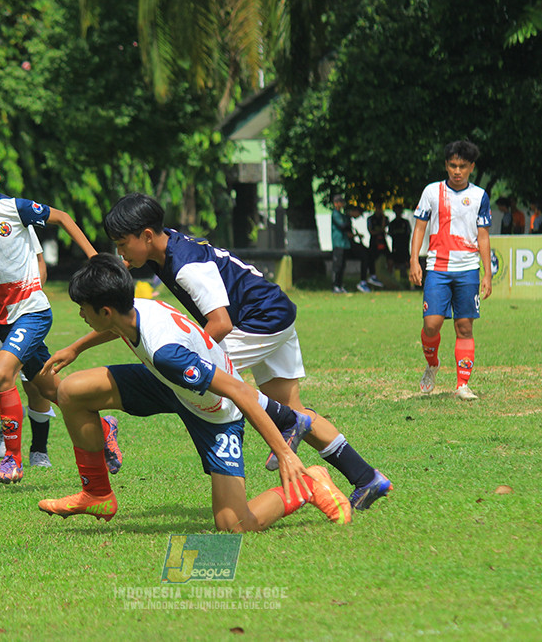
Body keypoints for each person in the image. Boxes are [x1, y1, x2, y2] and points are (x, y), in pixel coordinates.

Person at [102, 193, 391, 511]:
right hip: (274, 311)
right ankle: (366, 477)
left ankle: (109, 426)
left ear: (146, 235)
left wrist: (190, 356)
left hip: (257, 322)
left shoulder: (185, 265)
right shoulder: (166, 243)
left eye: (122, 244)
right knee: (291, 412)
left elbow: (221, 323)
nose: (120, 252)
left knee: (182, 377)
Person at [37, 253, 353, 531]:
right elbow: (116, 327)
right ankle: (97, 493)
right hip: (168, 384)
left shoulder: (167, 354)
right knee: (72, 391)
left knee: (234, 524)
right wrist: (76, 348)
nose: (81, 315)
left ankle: (308, 485)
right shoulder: (135, 307)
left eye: (83, 309)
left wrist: (285, 454)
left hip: (215, 412)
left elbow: (240, 392)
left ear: (106, 311)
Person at [0, 134, 98, 483]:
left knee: (1, 372)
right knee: (52, 390)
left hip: (33, 311)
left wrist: (95, 259)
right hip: (0, 316)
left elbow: (63, 218)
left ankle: (13, 460)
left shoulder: (16, 209)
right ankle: (105, 426)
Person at [408, 140, 492, 401]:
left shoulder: (479, 196)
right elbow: (419, 228)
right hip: (437, 268)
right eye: (453, 165)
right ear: (446, 165)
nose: (457, 171)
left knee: (464, 327)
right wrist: (414, 260)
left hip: (468, 269)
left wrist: (487, 273)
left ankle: (462, 384)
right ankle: (432, 365)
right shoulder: (432, 192)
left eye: (463, 166)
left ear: (471, 168)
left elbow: (483, 235)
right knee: (431, 325)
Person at [329, 195, 356, 293]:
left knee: (342, 265)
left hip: (344, 243)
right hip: (338, 243)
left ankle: (340, 285)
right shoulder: (335, 214)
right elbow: (342, 226)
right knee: (337, 265)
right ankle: (335, 285)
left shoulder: (342, 215)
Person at [387, 203, 412, 285]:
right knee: (396, 264)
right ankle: (398, 283)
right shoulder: (392, 223)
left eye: (399, 210)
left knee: (407, 264)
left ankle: (411, 284)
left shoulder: (405, 222)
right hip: (396, 247)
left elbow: (409, 233)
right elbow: (390, 234)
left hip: (405, 246)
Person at [365, 203, 389, 288]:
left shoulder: (385, 218)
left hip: (382, 241)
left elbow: (384, 229)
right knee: (372, 258)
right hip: (374, 241)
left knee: (386, 257)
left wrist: (383, 218)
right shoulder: (370, 219)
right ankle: (373, 275)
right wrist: (379, 232)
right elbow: (371, 231)